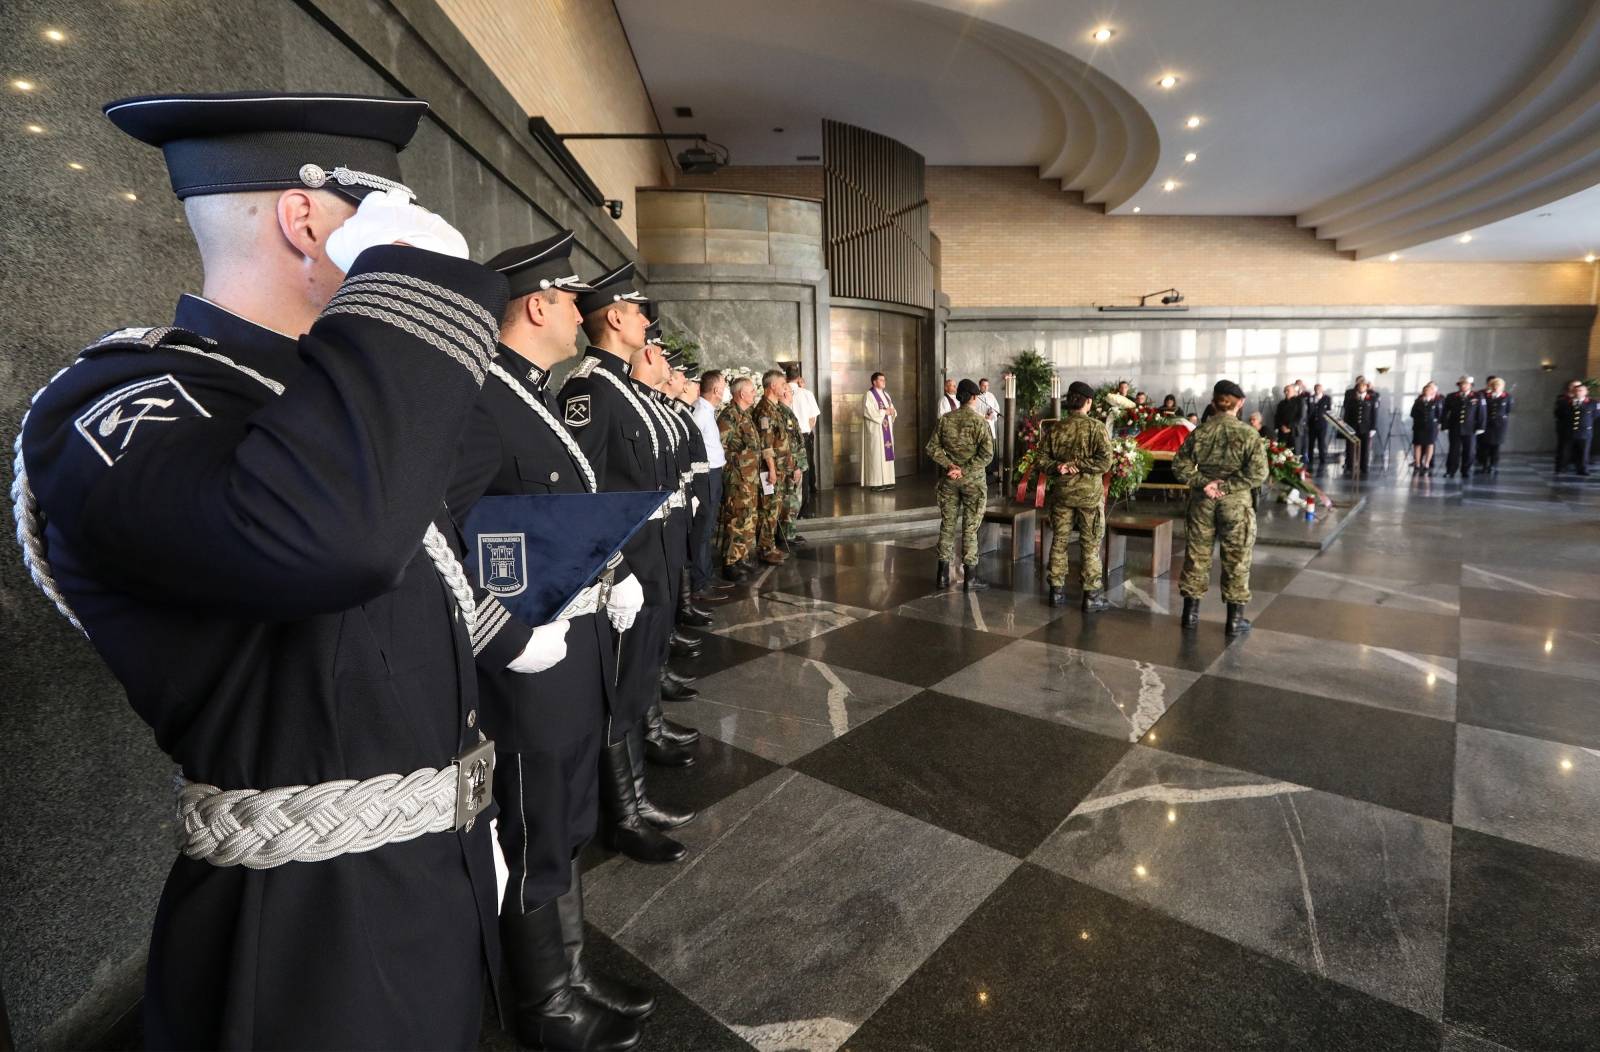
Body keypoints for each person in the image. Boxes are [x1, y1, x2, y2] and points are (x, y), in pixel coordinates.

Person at [12, 91, 507, 1047]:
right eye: (386, 214)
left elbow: (456, 463)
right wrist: (410, 287)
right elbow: (339, 540)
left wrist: (390, 320)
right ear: (309, 217)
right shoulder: (123, 397)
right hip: (303, 932)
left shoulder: (315, 396)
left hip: (423, 880)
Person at [448, 232, 655, 1051]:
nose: (582, 313)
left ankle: (569, 974)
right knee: (533, 825)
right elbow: (445, 534)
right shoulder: (482, 400)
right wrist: (504, 633)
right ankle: (544, 1004)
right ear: (539, 305)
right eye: (572, 299)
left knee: (563, 817)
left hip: (570, 645)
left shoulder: (528, 393)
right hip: (527, 660)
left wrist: (612, 571)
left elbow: (557, 518)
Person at [559, 264, 693, 866]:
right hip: (626, 568)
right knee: (619, 691)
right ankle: (627, 814)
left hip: (653, 557)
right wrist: (611, 572)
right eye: (639, 312)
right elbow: (583, 494)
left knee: (637, 681)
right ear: (614, 317)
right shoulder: (590, 390)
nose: (645, 322)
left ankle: (639, 799)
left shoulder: (624, 390)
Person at [1173, 380, 1269, 636]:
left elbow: (1179, 467)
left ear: (1214, 402)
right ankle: (1234, 621)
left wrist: (1206, 483)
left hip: (1202, 503)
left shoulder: (1200, 432)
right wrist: (1227, 487)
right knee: (1237, 559)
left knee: (1196, 556)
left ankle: (1190, 616)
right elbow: (1259, 473)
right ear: (1240, 403)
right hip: (1236, 506)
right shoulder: (1249, 434)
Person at [1035, 380, 1114, 610]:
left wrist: (1058, 467)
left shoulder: (1055, 428)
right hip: (1089, 497)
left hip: (1062, 494)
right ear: (1088, 402)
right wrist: (1080, 464)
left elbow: (1040, 460)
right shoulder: (1096, 427)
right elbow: (1105, 462)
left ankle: (1056, 592)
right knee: (1090, 544)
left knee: (1059, 541)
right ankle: (1091, 596)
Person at [924, 379, 994, 591]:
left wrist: (950, 465)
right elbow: (987, 454)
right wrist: (964, 469)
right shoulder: (980, 422)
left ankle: (942, 576)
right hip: (972, 482)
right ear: (974, 397)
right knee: (970, 528)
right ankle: (970, 577)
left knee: (947, 525)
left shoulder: (945, 420)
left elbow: (931, 448)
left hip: (949, 481)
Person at [691, 370, 731, 599]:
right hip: (705, 476)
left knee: (708, 529)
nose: (724, 390)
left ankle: (706, 574)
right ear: (716, 390)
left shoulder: (708, 411)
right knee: (702, 530)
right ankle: (699, 583)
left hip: (713, 474)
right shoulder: (700, 412)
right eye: (723, 386)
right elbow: (691, 443)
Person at [717, 377, 762, 576]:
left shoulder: (746, 415)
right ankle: (730, 562)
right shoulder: (729, 416)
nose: (754, 394)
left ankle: (742, 556)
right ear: (742, 394)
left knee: (748, 518)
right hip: (737, 479)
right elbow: (720, 448)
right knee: (737, 518)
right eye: (752, 391)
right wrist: (743, 459)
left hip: (749, 479)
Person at [751, 369, 794, 563]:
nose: (785, 388)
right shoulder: (764, 410)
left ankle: (770, 546)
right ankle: (765, 549)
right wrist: (772, 470)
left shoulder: (774, 408)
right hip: (770, 470)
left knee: (774, 509)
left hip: (780, 467)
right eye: (782, 384)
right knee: (768, 509)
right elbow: (765, 444)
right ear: (773, 385)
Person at [785, 363, 821, 518]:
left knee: (788, 472)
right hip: (803, 436)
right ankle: (802, 510)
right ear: (799, 377)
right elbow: (813, 418)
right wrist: (805, 432)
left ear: (786, 377)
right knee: (804, 472)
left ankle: (787, 511)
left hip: (785, 437)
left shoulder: (782, 392)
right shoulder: (806, 393)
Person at [778, 379, 808, 547]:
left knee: (795, 500)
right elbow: (786, 444)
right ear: (784, 393)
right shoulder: (782, 413)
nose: (792, 394)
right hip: (790, 466)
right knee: (790, 502)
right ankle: (786, 535)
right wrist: (795, 466)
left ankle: (791, 532)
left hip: (797, 463)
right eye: (790, 391)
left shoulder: (788, 412)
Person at [1441, 374, 1486, 479]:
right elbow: (1445, 412)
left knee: (1469, 451)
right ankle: (1450, 471)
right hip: (1455, 427)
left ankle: (1466, 470)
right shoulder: (1451, 396)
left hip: (1471, 428)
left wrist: (1481, 427)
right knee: (1453, 451)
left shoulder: (1478, 396)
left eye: (1466, 384)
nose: (1463, 386)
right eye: (1462, 384)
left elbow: (1482, 413)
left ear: (1470, 385)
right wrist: (1445, 425)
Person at [862, 371, 897, 489]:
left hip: (886, 430)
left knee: (886, 455)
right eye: (881, 380)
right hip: (876, 431)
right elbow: (868, 411)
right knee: (876, 455)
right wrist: (884, 412)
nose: (884, 382)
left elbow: (891, 408)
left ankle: (887, 481)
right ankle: (876, 483)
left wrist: (893, 412)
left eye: (884, 380)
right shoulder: (869, 395)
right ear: (874, 382)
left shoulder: (886, 395)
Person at [1554, 380, 1595, 475]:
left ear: (1586, 392)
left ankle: (1582, 469)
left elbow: (1595, 415)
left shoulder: (1592, 403)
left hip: (1584, 431)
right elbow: (1558, 414)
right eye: (1576, 390)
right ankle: (1561, 468)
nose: (1578, 392)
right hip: (1569, 431)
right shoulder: (1565, 402)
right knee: (1564, 451)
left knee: (1583, 452)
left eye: (1581, 390)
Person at [1341, 376, 1380, 477]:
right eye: (1360, 386)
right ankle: (1350, 466)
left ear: (1366, 387)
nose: (1361, 387)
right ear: (1357, 387)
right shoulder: (1351, 397)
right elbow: (1347, 413)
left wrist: (1373, 428)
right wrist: (1345, 425)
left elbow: (1374, 414)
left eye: (1364, 386)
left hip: (1366, 427)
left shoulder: (1372, 398)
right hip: (1352, 426)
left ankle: (1364, 467)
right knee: (1350, 448)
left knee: (1365, 448)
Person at [1477, 376, 1513, 474]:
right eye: (1494, 385)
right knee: (1484, 446)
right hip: (1487, 424)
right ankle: (1484, 464)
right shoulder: (1485, 396)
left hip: (1499, 426)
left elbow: (1508, 410)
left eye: (1498, 385)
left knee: (1496, 447)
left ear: (1502, 387)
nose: (1496, 387)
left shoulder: (1507, 397)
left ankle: (1493, 465)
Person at [1410, 382, 1443, 474]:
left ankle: (1427, 463)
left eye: (1429, 390)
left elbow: (1439, 414)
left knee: (1430, 444)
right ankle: (1417, 463)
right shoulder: (1418, 401)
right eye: (1425, 390)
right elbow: (1412, 413)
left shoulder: (1436, 402)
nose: (1427, 391)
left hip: (1431, 427)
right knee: (1417, 444)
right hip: (1419, 426)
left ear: (1433, 391)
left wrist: (1438, 424)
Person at [1304, 383, 1333, 472]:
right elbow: (1308, 410)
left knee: (1321, 443)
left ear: (1322, 389)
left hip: (1322, 424)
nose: (1317, 390)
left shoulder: (1326, 398)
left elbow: (1329, 410)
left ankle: (1322, 459)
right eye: (1316, 388)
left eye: (1319, 389)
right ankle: (1310, 459)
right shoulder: (1310, 398)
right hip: (1312, 424)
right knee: (1311, 443)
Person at [1274, 383, 1304, 454]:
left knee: (1295, 454)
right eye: (1285, 391)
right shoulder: (1281, 403)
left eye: (1288, 390)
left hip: (1295, 432)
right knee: (1281, 453)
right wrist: (1281, 426)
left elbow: (1301, 417)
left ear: (1294, 391)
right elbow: (1277, 417)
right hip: (1282, 432)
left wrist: (1289, 427)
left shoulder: (1300, 401)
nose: (1286, 392)